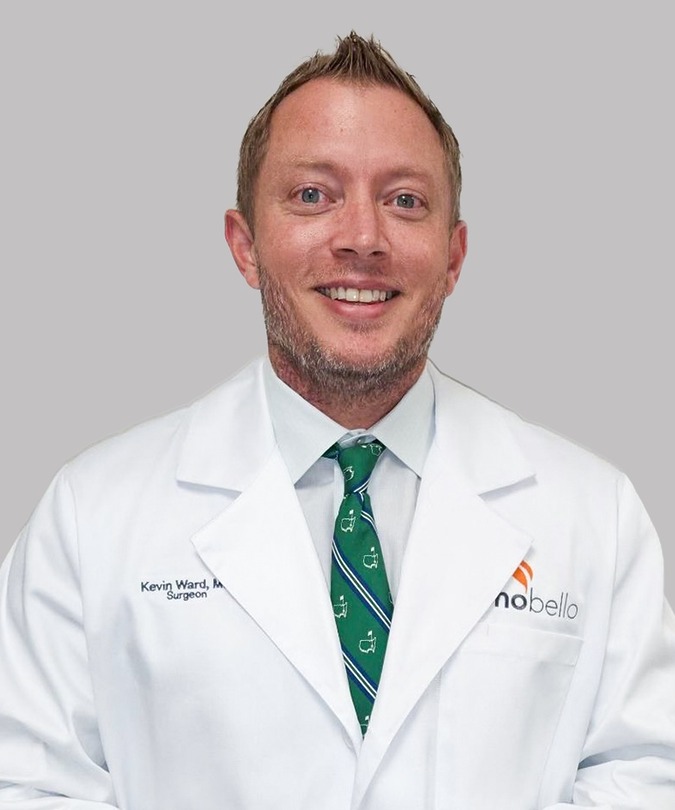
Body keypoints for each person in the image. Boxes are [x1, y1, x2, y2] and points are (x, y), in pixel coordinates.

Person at [0, 31, 673, 810]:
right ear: (245, 245)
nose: (361, 238)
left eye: (404, 201)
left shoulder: (593, 514)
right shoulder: (93, 515)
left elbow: (647, 773)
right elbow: (28, 783)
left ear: (452, 258)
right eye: (313, 195)